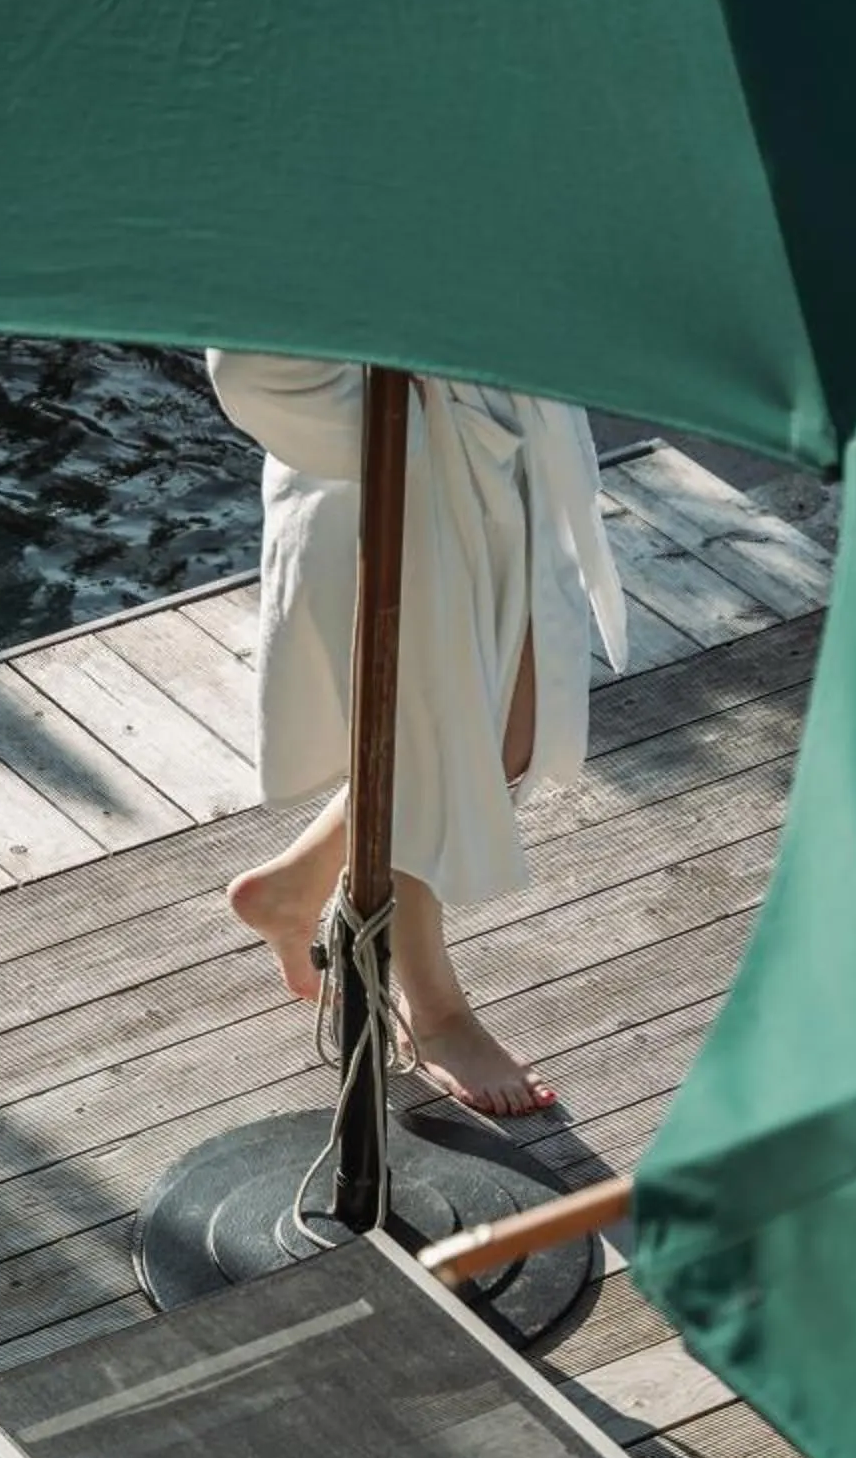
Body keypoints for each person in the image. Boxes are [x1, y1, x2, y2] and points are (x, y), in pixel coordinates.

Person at [207, 351, 625, 1116]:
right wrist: (402, 428)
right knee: (434, 738)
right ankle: (435, 1010)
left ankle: (293, 885)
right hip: (392, 474)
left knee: (501, 738)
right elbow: (248, 368)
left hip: (494, 434)